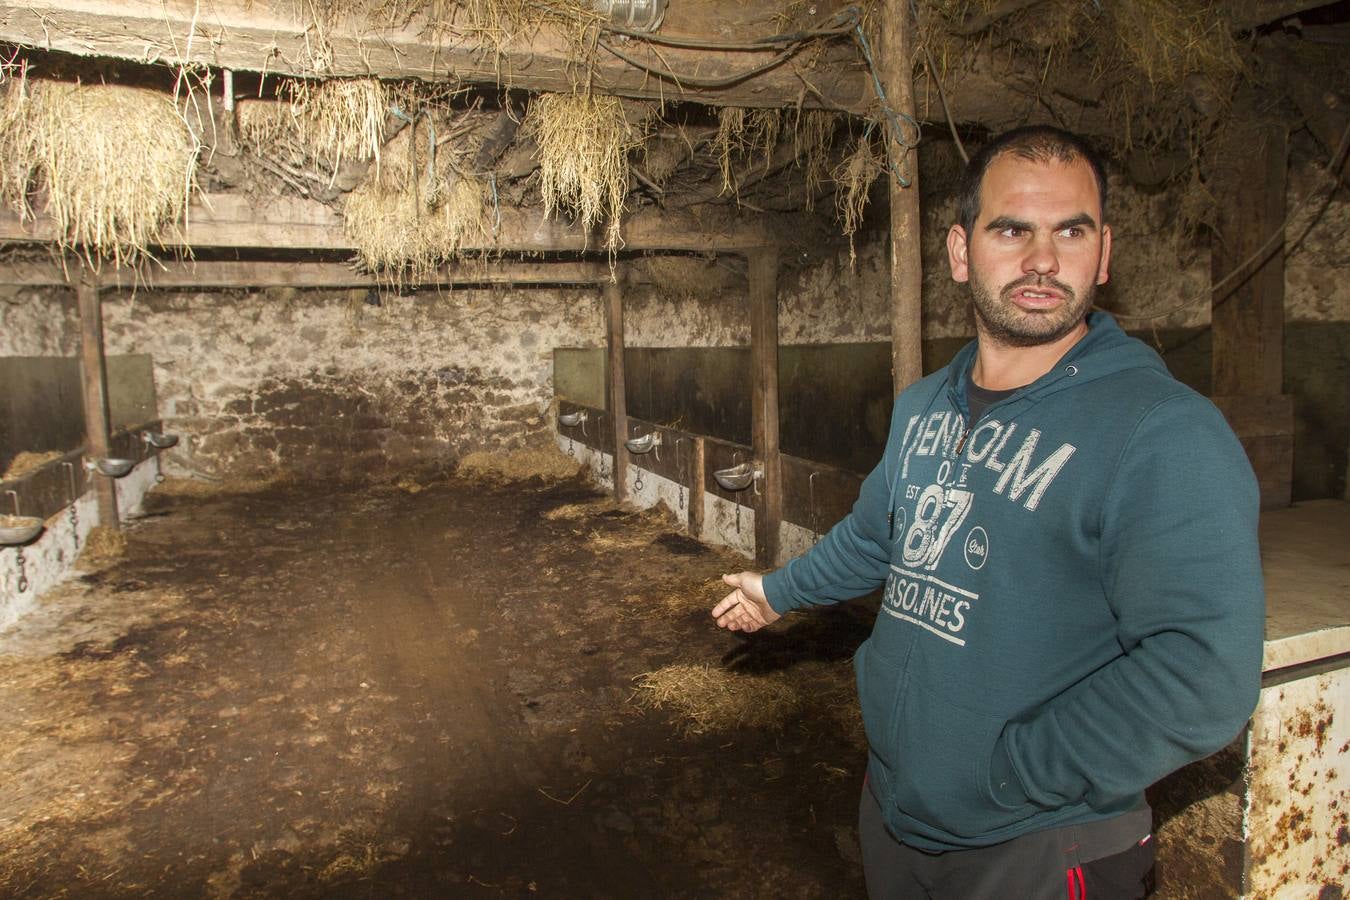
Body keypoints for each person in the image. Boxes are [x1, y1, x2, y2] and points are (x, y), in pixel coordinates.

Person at [711, 126, 1265, 899]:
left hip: (1038, 842)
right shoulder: (922, 407)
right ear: (961, 251)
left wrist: (1010, 773)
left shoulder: (1161, 432)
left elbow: (1204, 672)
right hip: (898, 813)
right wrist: (779, 593)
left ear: (1103, 254)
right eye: (1012, 229)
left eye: (1070, 231)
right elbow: (877, 538)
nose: (1043, 260)